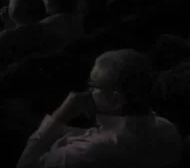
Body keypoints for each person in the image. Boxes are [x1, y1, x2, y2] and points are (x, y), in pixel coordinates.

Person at [17, 49, 182, 167]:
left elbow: (25, 164)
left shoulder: (85, 153)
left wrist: (58, 117)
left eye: (93, 85)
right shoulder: (167, 128)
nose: (88, 91)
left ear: (116, 99)